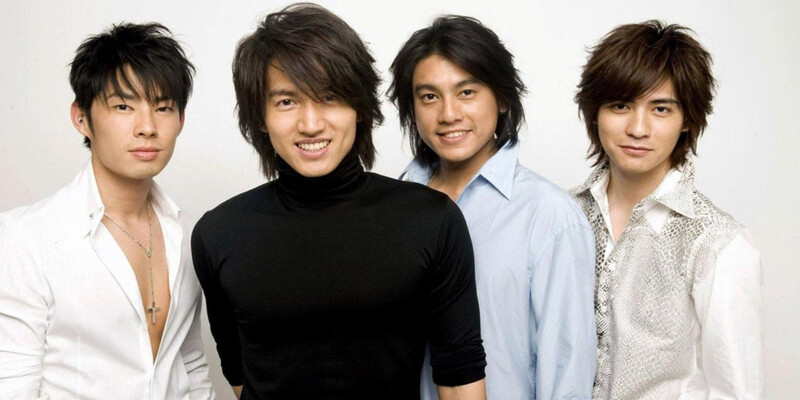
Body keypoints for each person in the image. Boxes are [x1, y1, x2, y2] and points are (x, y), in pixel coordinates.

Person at [191, 4, 486, 399]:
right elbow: (239, 374)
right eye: (286, 102)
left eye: (329, 97)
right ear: (260, 116)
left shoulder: (431, 219)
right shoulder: (218, 233)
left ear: (359, 107)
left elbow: (459, 377)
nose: (311, 124)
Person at [0, 23, 214, 399]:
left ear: (181, 120)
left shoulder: (189, 235)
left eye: (163, 107)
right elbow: (12, 384)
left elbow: (189, 364)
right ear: (82, 117)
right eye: (123, 106)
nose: (147, 127)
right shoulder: (25, 238)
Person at [389, 15, 597, 400]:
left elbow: (567, 370)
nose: (449, 114)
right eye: (429, 96)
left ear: (502, 98)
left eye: (467, 92)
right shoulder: (394, 204)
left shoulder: (549, 215)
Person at [571, 20, 763, 399]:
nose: (638, 128)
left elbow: (736, 391)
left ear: (687, 120)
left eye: (660, 109)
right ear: (594, 112)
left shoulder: (718, 243)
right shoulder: (563, 217)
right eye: (620, 105)